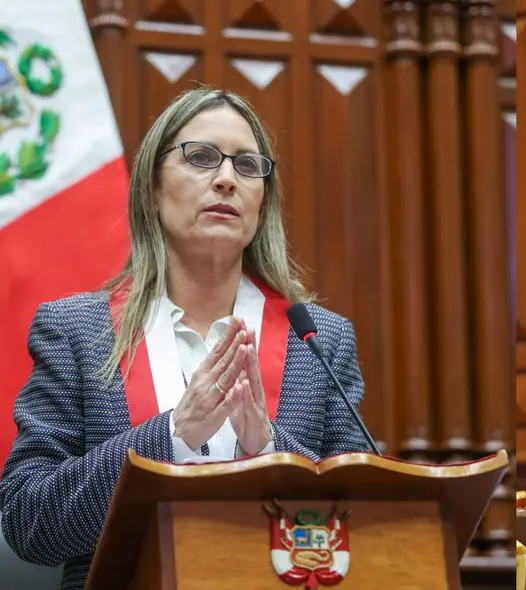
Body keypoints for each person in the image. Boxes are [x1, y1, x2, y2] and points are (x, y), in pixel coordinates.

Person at [0, 87, 372, 589]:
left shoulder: (319, 342)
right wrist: (173, 435)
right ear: (151, 188)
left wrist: (271, 449)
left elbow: (364, 519)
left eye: (246, 166)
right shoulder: (77, 332)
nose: (225, 179)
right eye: (200, 158)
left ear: (264, 200)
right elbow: (28, 523)